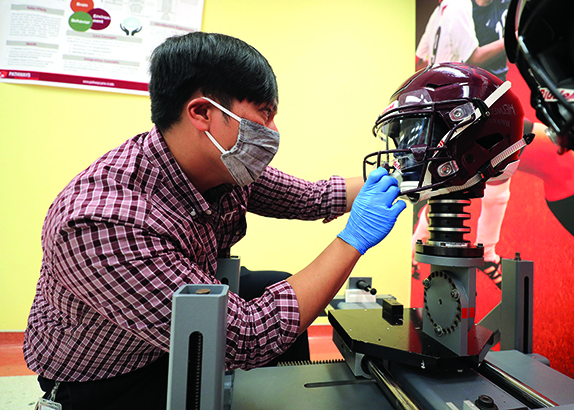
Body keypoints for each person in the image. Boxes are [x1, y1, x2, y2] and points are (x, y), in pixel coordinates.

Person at [23, 32, 406, 409]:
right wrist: (354, 238)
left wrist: (405, 175)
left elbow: (311, 197)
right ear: (203, 113)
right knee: (257, 331)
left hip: (171, 321)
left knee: (271, 284)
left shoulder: (221, 165)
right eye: (265, 114)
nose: (272, 132)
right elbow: (248, 337)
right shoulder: (101, 222)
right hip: (112, 374)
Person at [412, 0, 574, 289]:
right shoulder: (459, 6)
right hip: (465, 111)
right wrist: (515, 38)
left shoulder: (483, 5)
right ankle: (479, 249)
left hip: (477, 108)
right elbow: (473, 55)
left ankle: (476, 249)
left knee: (493, 175)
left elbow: (421, 56)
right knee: (555, 161)